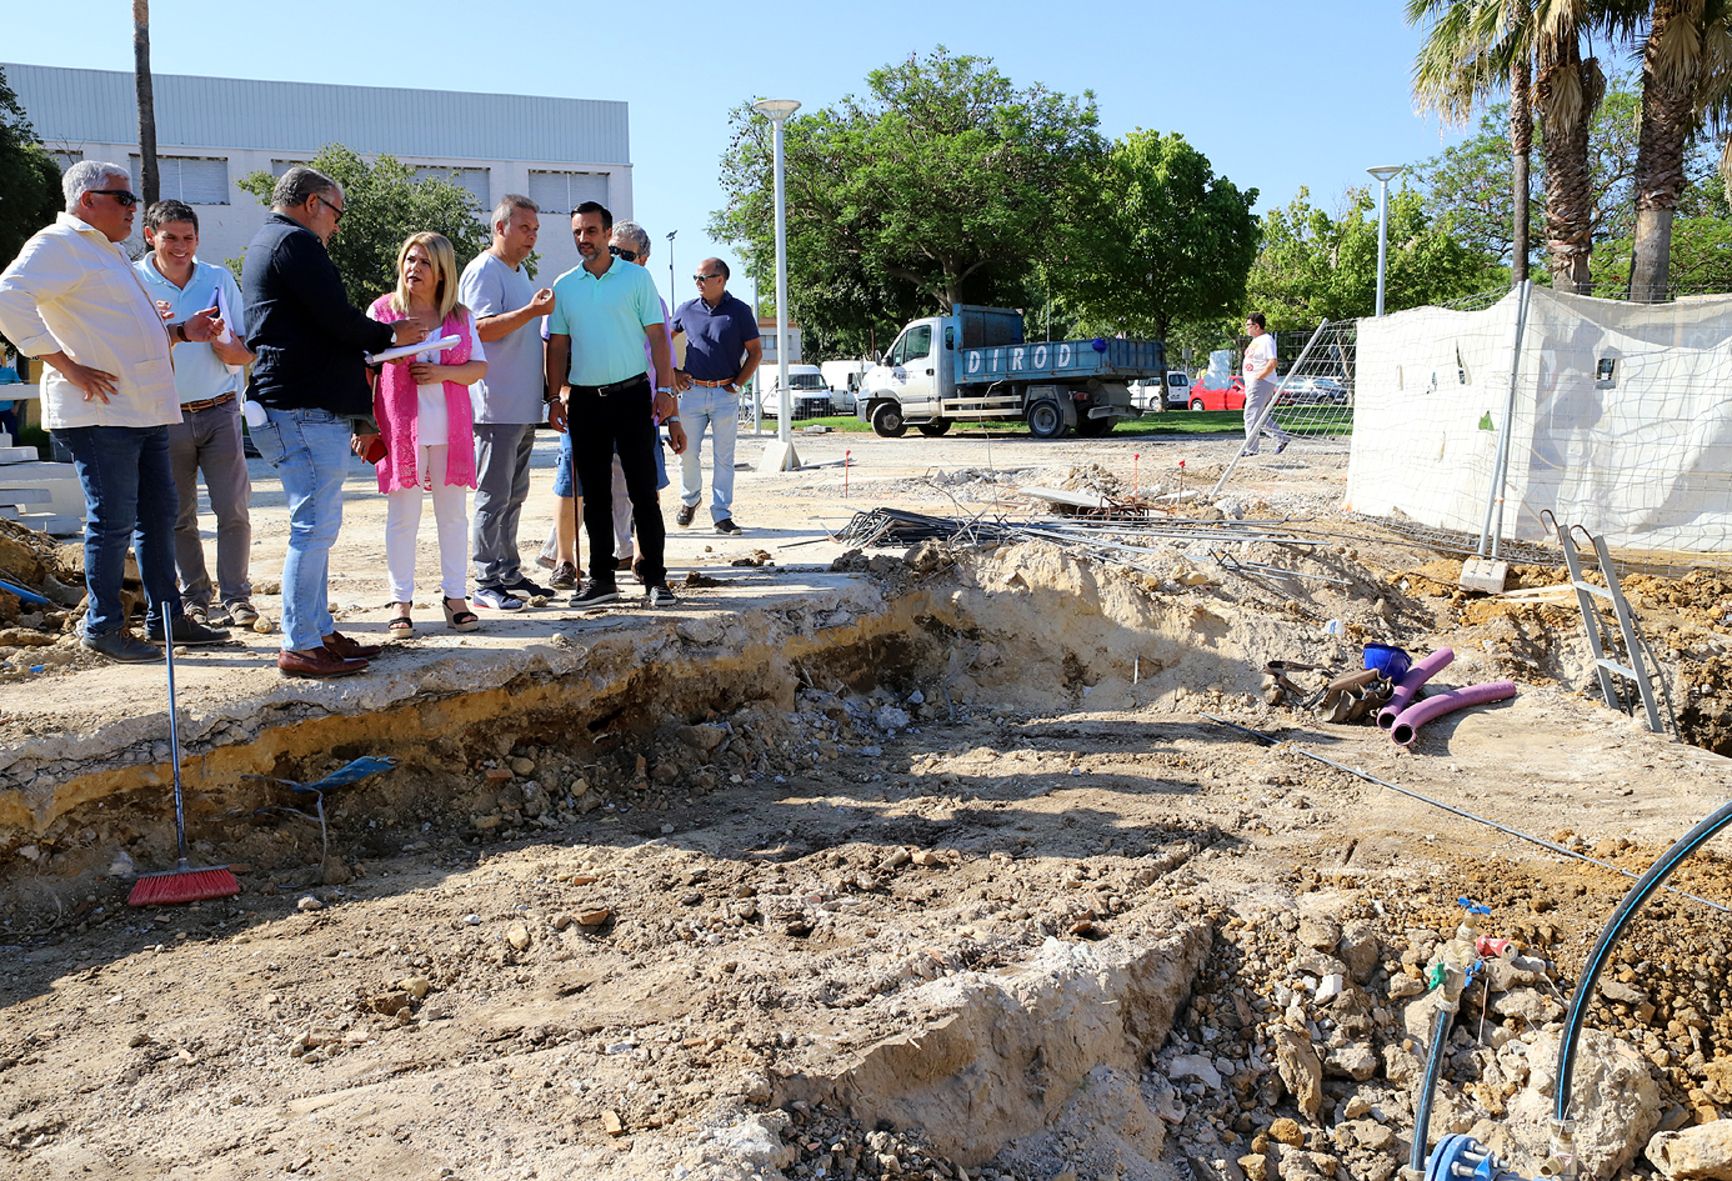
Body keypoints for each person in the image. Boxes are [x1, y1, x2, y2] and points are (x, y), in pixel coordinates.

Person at [0, 161, 229, 662]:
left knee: (157, 515)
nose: (133, 209)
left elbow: (117, 331)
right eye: (123, 199)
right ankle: (103, 625)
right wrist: (65, 365)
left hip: (141, 409)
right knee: (113, 521)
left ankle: (165, 617)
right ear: (88, 201)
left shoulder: (105, 251)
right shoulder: (58, 244)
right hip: (100, 413)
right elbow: (5, 296)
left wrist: (179, 332)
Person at [242, 165, 439, 678]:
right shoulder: (296, 245)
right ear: (313, 204)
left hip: (295, 403)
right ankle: (301, 642)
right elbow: (335, 318)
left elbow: (317, 323)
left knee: (317, 527)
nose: (336, 226)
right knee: (313, 528)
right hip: (302, 406)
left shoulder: (272, 243)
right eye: (336, 214)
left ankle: (318, 630)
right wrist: (388, 335)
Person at [544, 201, 683, 608]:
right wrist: (554, 396)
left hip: (633, 395)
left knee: (644, 491)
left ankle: (656, 579)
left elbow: (659, 338)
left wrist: (667, 391)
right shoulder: (565, 285)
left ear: (607, 234)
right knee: (596, 495)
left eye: (590, 231)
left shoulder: (637, 279)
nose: (583, 239)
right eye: (577, 232)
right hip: (585, 402)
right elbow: (557, 346)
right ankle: (601, 579)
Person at [134, 199, 260, 629]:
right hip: (163, 416)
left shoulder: (218, 279)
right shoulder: (133, 281)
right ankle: (194, 599)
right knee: (179, 516)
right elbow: (127, 353)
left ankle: (238, 598)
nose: (181, 246)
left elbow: (245, 352)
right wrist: (171, 334)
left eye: (188, 238)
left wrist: (222, 341)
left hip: (220, 410)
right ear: (151, 236)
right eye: (171, 237)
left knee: (234, 509)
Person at [368, 233, 487, 636]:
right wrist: (362, 426)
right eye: (409, 260)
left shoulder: (460, 316)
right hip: (401, 429)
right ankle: (400, 601)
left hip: (450, 431)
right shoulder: (383, 311)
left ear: (441, 272)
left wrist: (442, 373)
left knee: (452, 516)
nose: (413, 269)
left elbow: (477, 368)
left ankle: (456, 598)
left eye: (423, 263)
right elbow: (364, 366)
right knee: (403, 517)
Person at [457, 195, 555, 612]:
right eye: (524, 228)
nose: (532, 236)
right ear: (500, 227)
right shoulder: (483, 271)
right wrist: (531, 312)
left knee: (513, 496)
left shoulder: (519, 272)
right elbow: (478, 329)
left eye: (535, 229)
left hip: (521, 406)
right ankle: (484, 579)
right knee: (492, 496)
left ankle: (508, 570)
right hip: (494, 406)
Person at [604, 220, 680, 581]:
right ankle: (618, 553)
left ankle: (646, 558)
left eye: (625, 253)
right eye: (612, 250)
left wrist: (674, 417)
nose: (616, 258)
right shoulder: (593, 292)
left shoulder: (655, 302)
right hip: (600, 410)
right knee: (605, 490)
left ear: (644, 259)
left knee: (646, 490)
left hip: (644, 413)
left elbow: (667, 363)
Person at [671, 258, 760, 534]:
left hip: (725, 395)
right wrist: (673, 372)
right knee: (686, 452)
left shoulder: (740, 311)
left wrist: (737, 385)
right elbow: (662, 342)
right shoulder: (686, 310)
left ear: (720, 280)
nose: (698, 283)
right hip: (693, 393)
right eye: (695, 278)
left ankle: (721, 514)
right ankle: (690, 500)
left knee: (724, 457)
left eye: (703, 278)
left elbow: (755, 352)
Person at [1240, 312, 1291, 456]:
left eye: (1248, 325)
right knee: (1259, 415)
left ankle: (1251, 449)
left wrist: (1259, 377)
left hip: (1262, 382)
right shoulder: (1256, 341)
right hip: (1254, 383)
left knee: (1250, 414)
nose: (1246, 328)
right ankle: (1282, 438)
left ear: (1256, 326)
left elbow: (1272, 362)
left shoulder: (1266, 340)